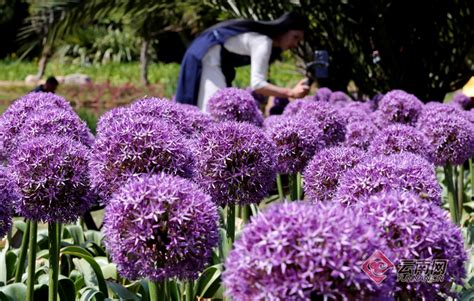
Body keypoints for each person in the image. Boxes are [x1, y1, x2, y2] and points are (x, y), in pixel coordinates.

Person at [175, 12, 310, 111]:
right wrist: (290, 92)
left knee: (213, 109)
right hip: (207, 56)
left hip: (207, 55)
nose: (295, 44)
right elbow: (258, 84)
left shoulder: (265, 42)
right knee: (215, 109)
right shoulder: (263, 42)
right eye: (295, 37)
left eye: (299, 40)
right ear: (283, 30)